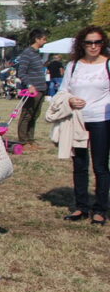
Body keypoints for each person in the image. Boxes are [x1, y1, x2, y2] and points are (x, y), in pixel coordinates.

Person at [60, 25, 110, 225]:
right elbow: (63, 91)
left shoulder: (107, 64)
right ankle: (81, 207)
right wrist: (70, 100)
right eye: (89, 42)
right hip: (77, 120)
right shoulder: (73, 66)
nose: (93, 46)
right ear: (82, 44)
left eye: (97, 42)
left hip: (102, 120)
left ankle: (100, 209)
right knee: (79, 165)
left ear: (103, 43)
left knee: (100, 166)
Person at [17, 28, 49, 149]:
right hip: (32, 90)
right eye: (44, 39)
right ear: (37, 39)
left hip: (41, 88)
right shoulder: (27, 53)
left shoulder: (37, 54)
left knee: (35, 115)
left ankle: (31, 139)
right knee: (27, 115)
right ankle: (23, 140)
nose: (45, 41)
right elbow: (21, 72)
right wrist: (30, 85)